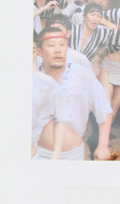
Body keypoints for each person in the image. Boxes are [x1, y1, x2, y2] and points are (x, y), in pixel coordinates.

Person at [34, 26, 113, 160]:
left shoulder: (83, 74)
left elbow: (104, 109)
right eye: (51, 45)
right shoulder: (33, 77)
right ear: (39, 52)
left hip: (73, 154)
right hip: (38, 153)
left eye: (62, 45)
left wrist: (103, 145)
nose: (58, 50)